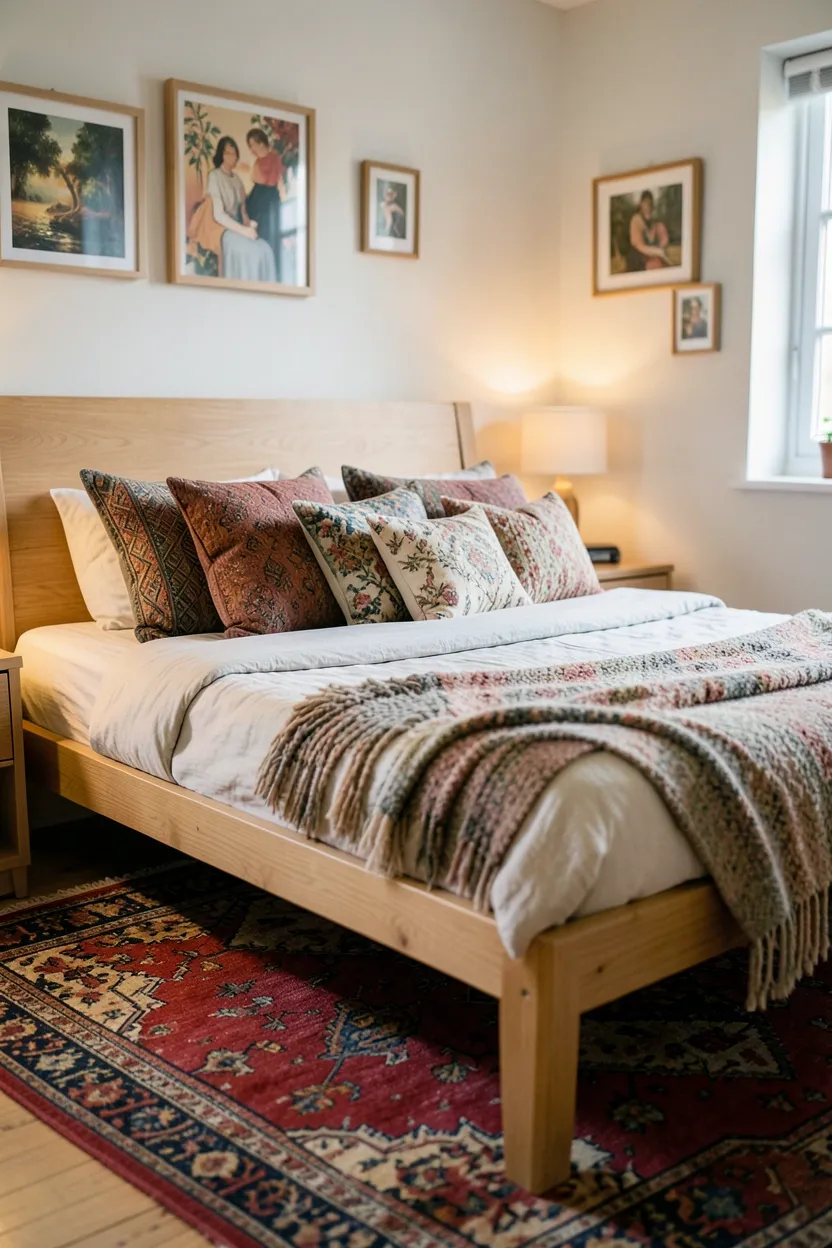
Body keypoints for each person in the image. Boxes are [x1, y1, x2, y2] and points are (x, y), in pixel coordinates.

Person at [205, 136, 276, 283]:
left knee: (265, 250)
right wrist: (243, 231)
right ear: (221, 155)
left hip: (237, 227)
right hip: (222, 229)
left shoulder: (237, 180)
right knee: (250, 252)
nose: (232, 157)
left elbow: (243, 210)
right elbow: (218, 215)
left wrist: (249, 226)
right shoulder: (214, 176)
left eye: (234, 153)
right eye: (227, 153)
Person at [245, 127, 284, 281]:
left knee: (268, 234)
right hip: (259, 197)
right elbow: (257, 181)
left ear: (260, 143)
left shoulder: (274, 158)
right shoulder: (257, 162)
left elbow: (271, 182)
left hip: (269, 201)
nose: (251, 149)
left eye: (252, 144)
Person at [626, 190, 669, 272]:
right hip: (638, 261)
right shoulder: (636, 219)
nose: (648, 207)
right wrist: (657, 251)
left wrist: (662, 245)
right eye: (645, 204)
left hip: (650, 257)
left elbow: (659, 239)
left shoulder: (654, 223)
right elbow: (638, 245)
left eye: (650, 204)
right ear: (641, 205)